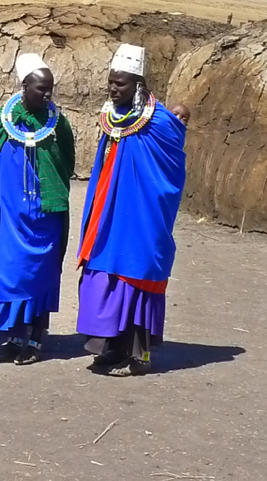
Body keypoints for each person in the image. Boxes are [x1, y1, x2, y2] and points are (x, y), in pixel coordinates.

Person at [0, 54, 76, 365]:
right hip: (9, 213)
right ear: (24, 87)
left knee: (40, 274)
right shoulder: (2, 121)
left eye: (50, 88)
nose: (47, 94)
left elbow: (65, 163)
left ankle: (35, 338)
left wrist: (49, 195)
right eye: (41, 88)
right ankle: (13, 334)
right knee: (10, 271)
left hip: (44, 214)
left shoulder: (58, 125)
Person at [75, 44, 186, 376]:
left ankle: (139, 355)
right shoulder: (115, 117)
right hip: (109, 213)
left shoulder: (159, 121)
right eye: (110, 81)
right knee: (102, 272)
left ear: (138, 85)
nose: (113, 88)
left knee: (134, 274)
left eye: (120, 83)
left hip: (140, 217)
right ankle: (113, 347)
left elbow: (169, 167)